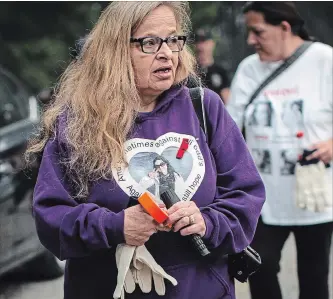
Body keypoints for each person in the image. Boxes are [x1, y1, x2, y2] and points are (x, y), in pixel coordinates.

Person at [26, 2, 265, 299]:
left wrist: (207, 221)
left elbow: (247, 195)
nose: (166, 52)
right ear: (114, 51)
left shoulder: (203, 107)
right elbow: (51, 219)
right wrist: (115, 226)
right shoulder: (77, 121)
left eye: (174, 39)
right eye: (149, 42)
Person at [227, 2, 333, 299]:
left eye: (257, 32)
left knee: (314, 276)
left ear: (284, 28)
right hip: (262, 195)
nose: (251, 41)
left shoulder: (325, 61)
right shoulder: (249, 68)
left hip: (313, 196)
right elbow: (230, 128)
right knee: (260, 265)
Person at [193, 28, 231, 104]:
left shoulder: (221, 71)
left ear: (212, 44)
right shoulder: (191, 72)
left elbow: (227, 99)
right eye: (198, 42)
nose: (201, 46)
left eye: (204, 42)